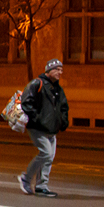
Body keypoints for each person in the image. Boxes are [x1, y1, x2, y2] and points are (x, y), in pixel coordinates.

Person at [18, 58, 69, 198]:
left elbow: (63, 107)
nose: (60, 72)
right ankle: (26, 178)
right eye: (57, 69)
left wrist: (63, 121)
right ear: (49, 70)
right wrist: (37, 119)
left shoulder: (57, 89)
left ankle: (41, 186)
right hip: (37, 128)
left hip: (51, 129)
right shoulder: (37, 84)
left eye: (61, 70)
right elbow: (26, 103)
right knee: (46, 153)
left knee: (49, 157)